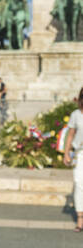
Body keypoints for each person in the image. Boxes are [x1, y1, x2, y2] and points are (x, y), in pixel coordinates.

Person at [64, 88, 83, 232]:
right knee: (79, 185)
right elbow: (70, 135)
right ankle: (80, 219)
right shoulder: (76, 115)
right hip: (80, 153)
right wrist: (66, 153)